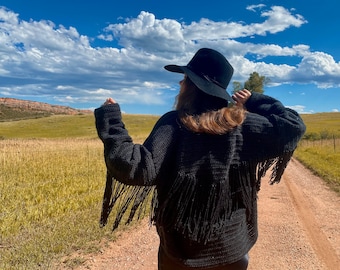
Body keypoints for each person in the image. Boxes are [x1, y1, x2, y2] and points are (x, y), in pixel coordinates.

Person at [95, 48, 306, 270]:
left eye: (185, 79)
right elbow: (293, 125)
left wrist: (113, 122)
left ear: (193, 86)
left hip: (180, 254)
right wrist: (254, 100)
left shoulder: (173, 124)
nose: (180, 84)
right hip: (233, 249)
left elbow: (135, 167)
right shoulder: (243, 124)